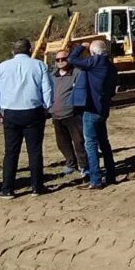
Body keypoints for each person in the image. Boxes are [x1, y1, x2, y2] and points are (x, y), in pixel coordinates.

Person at [0, 38, 53, 199]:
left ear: (13, 51)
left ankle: (7, 188)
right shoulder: (39, 65)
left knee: (10, 151)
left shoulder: (2, 67)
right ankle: (37, 186)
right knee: (34, 150)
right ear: (30, 50)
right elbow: (47, 88)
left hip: (10, 112)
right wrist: (47, 106)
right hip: (33, 110)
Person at [69, 39, 118, 190]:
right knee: (104, 143)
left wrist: (80, 47)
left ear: (93, 52)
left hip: (91, 109)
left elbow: (72, 59)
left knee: (90, 144)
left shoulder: (95, 62)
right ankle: (111, 175)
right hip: (102, 109)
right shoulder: (111, 67)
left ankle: (96, 179)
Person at [50, 49, 88, 177]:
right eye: (58, 60)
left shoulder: (77, 73)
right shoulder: (52, 76)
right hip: (56, 115)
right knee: (62, 142)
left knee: (79, 142)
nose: (60, 62)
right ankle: (71, 164)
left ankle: (84, 166)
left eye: (63, 59)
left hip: (73, 115)